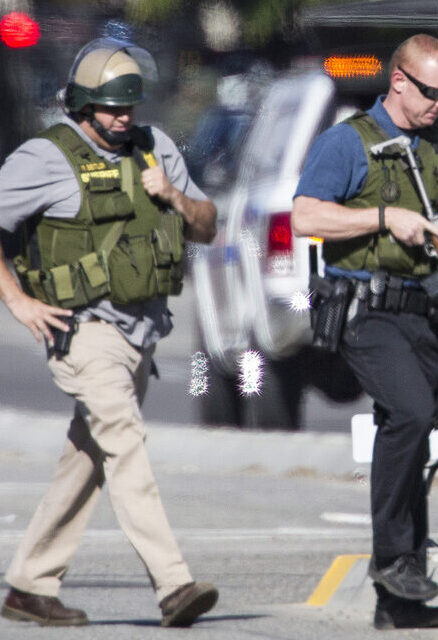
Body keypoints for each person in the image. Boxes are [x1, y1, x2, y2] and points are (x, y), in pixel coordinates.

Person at [0, 37, 219, 627]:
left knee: (89, 455)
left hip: (141, 330)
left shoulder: (156, 147)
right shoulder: (44, 159)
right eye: (111, 108)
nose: (123, 119)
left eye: (130, 108)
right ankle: (173, 584)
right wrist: (17, 300)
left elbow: (207, 225)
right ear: (80, 104)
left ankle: (28, 584)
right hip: (83, 328)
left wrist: (173, 195)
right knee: (125, 442)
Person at [291, 34, 438, 630]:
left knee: (417, 430)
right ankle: (392, 558)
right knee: (407, 413)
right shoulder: (349, 142)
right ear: (400, 81)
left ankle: (399, 601)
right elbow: (305, 214)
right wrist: (383, 218)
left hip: (423, 314)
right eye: (431, 93)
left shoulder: (436, 148)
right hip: (365, 310)